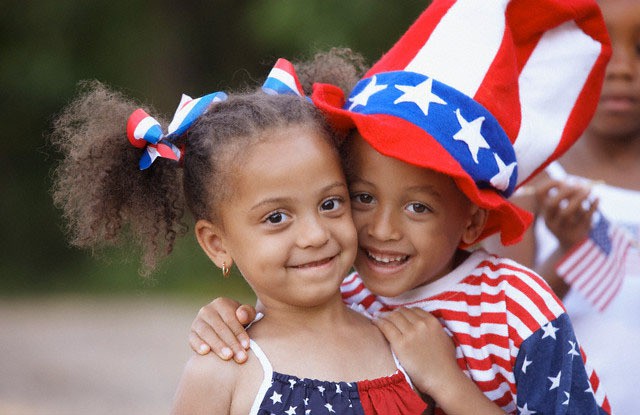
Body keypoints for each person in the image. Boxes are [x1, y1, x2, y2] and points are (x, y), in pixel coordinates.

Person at [187, 0, 614, 413]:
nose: (384, 229)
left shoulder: (515, 309)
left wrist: (447, 383)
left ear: (473, 220)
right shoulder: (350, 293)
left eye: (419, 208)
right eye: (362, 198)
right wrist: (223, 318)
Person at [50, 73, 508, 414]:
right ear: (216, 244)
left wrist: (447, 381)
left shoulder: (405, 342)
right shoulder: (224, 372)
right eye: (276, 217)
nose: (315, 234)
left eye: (331, 204)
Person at [483, 0, 640, 412]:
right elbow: (506, 328)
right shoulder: (532, 176)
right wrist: (572, 250)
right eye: (602, 49)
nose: (622, 68)